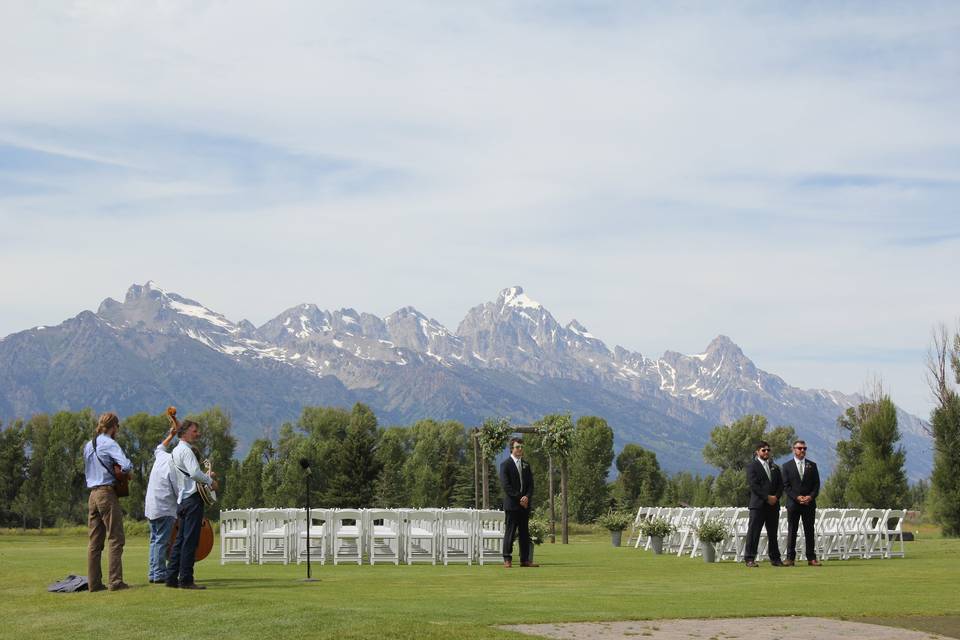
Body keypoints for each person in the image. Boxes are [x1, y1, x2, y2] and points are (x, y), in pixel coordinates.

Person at [82, 412, 133, 592]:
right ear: (114, 427)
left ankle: (93, 584)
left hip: (92, 494)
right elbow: (126, 465)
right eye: (117, 427)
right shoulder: (110, 443)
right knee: (115, 537)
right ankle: (115, 582)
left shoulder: (89, 445)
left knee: (94, 542)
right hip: (106, 493)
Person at [165, 419, 217, 589]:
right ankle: (186, 579)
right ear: (185, 432)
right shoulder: (187, 451)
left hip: (182, 500)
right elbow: (194, 473)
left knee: (179, 541)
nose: (197, 434)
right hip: (193, 499)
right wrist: (210, 480)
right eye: (194, 431)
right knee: (190, 541)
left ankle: (171, 577)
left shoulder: (175, 451)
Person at [145, 421, 179, 583]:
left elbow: (159, 447)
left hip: (151, 506)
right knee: (161, 542)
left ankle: (153, 572)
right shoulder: (174, 463)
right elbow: (177, 489)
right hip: (165, 507)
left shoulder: (162, 456)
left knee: (154, 540)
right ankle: (159, 573)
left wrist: (171, 435)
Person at [781, 439, 822, 566]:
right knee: (792, 531)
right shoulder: (787, 466)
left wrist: (810, 497)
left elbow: (816, 485)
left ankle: (811, 558)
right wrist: (797, 497)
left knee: (809, 530)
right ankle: (790, 558)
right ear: (794, 449)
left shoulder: (812, 465)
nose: (802, 450)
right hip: (793, 503)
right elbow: (786, 486)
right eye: (800, 448)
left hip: (809, 504)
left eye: (804, 448)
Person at [743, 440, 784, 568]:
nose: (766, 452)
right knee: (754, 532)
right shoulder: (752, 467)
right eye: (763, 450)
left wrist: (776, 497)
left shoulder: (775, 467)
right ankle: (750, 558)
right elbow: (754, 485)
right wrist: (767, 497)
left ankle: (775, 559)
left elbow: (780, 485)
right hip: (758, 505)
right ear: (757, 452)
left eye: (768, 450)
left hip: (773, 505)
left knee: (773, 533)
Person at [498, 437, 537, 568]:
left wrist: (527, 497)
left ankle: (525, 560)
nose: (520, 449)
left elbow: (531, 485)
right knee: (510, 532)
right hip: (512, 504)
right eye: (517, 447)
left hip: (524, 506)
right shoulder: (505, 465)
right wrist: (520, 498)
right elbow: (506, 486)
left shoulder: (526, 465)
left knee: (524, 533)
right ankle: (507, 559)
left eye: (521, 447)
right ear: (512, 449)